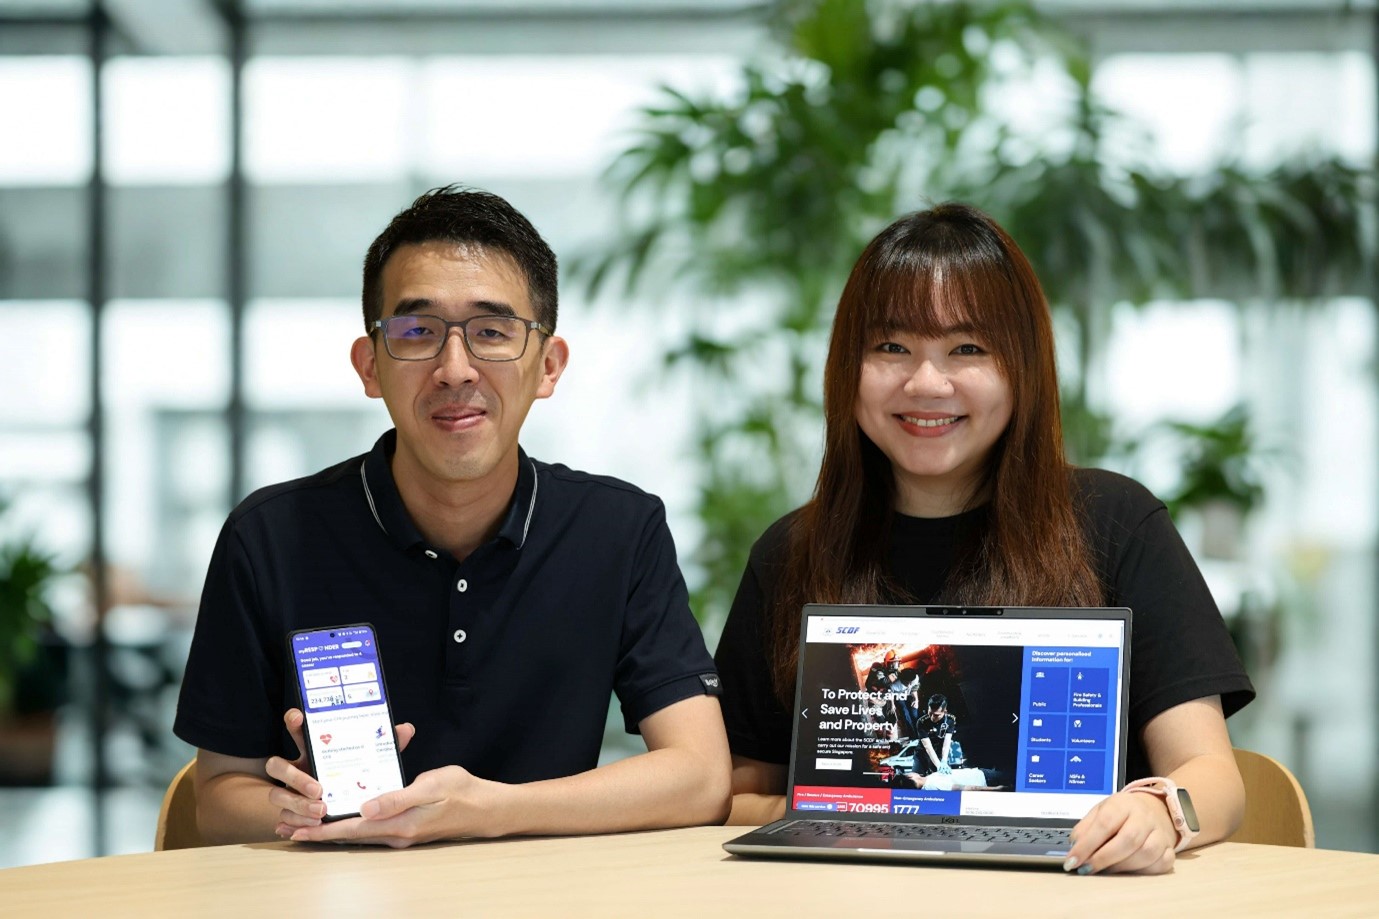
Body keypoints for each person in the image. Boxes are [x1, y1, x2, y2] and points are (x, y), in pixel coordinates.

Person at [174, 185, 731, 847]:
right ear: (369, 364)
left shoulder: (618, 529)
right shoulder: (267, 536)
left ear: (548, 366)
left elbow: (700, 774)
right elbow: (217, 796)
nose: (454, 368)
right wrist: (301, 807)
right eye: (416, 331)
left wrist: (489, 810)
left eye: (492, 331)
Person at [713, 203, 1254, 875]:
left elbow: (1215, 780)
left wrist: (1158, 813)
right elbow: (735, 787)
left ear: (1021, 366)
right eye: (890, 347)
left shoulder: (1114, 521)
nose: (925, 382)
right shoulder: (790, 550)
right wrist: (857, 811)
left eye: (966, 349)